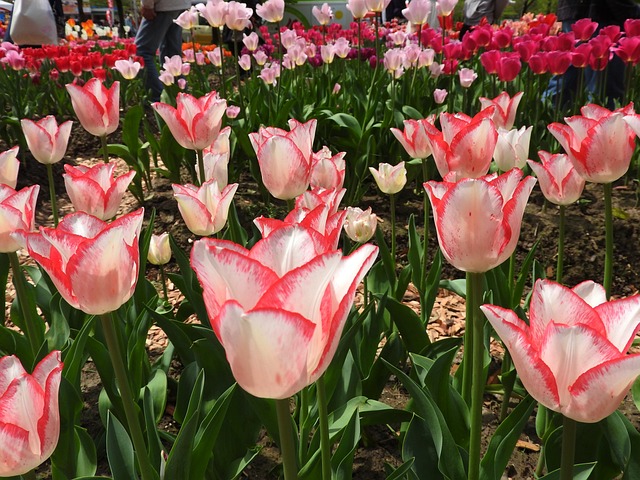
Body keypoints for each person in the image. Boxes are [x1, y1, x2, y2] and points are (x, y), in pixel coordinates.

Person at [135, 0, 191, 103]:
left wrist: (147, 5)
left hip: (162, 5)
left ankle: (159, 100)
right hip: (180, 5)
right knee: (171, 55)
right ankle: (181, 100)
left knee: (142, 53)